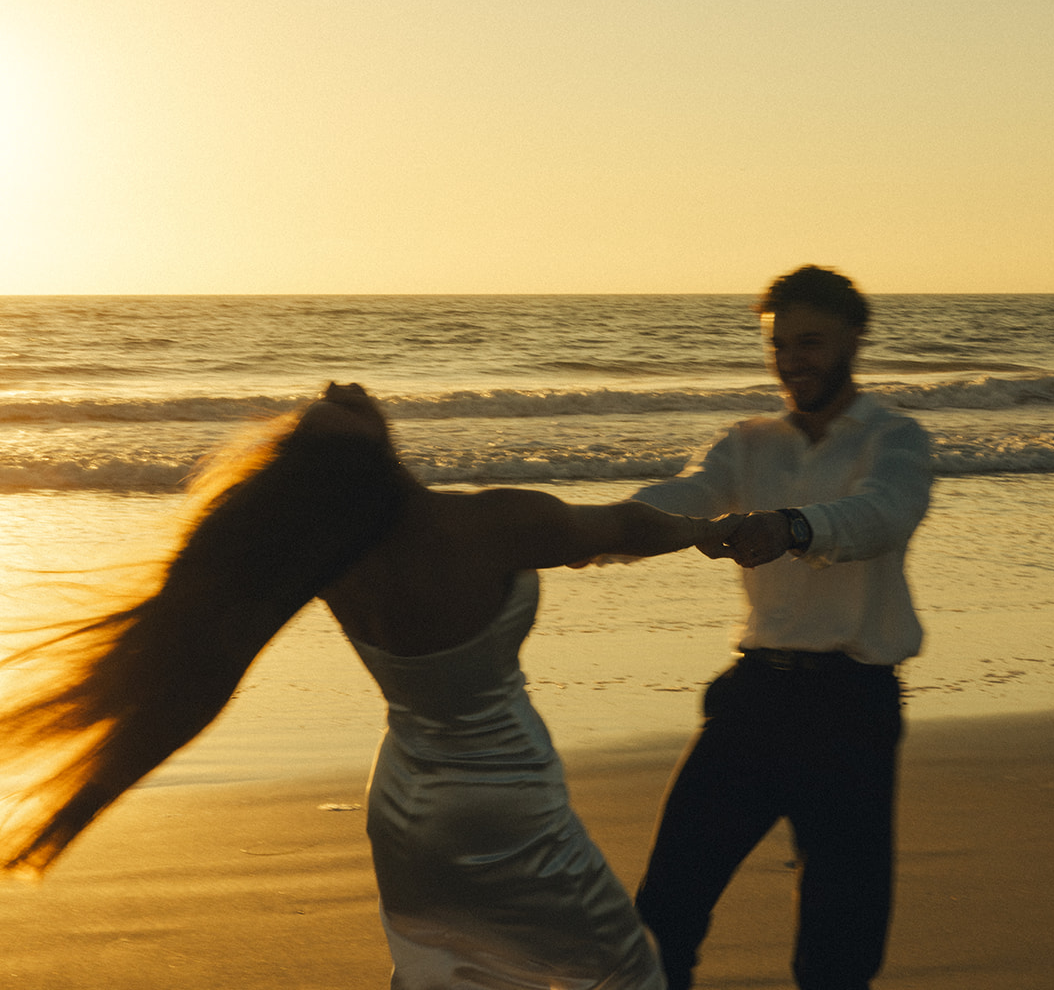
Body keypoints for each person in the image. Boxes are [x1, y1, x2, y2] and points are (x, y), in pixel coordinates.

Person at [0, 381, 741, 990]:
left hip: (404, 800)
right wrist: (706, 531)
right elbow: (623, 527)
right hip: (504, 790)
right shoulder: (488, 521)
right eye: (336, 408)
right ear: (365, 457)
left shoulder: (329, 559)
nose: (340, 387)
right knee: (623, 972)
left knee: (458, 974)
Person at [631, 266, 932, 990]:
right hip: (752, 704)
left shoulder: (894, 439)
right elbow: (681, 498)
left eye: (809, 343)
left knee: (838, 950)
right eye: (779, 346)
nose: (792, 360)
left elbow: (880, 515)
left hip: (852, 712)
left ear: (852, 339)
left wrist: (792, 526)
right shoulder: (747, 442)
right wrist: (574, 530)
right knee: (659, 915)